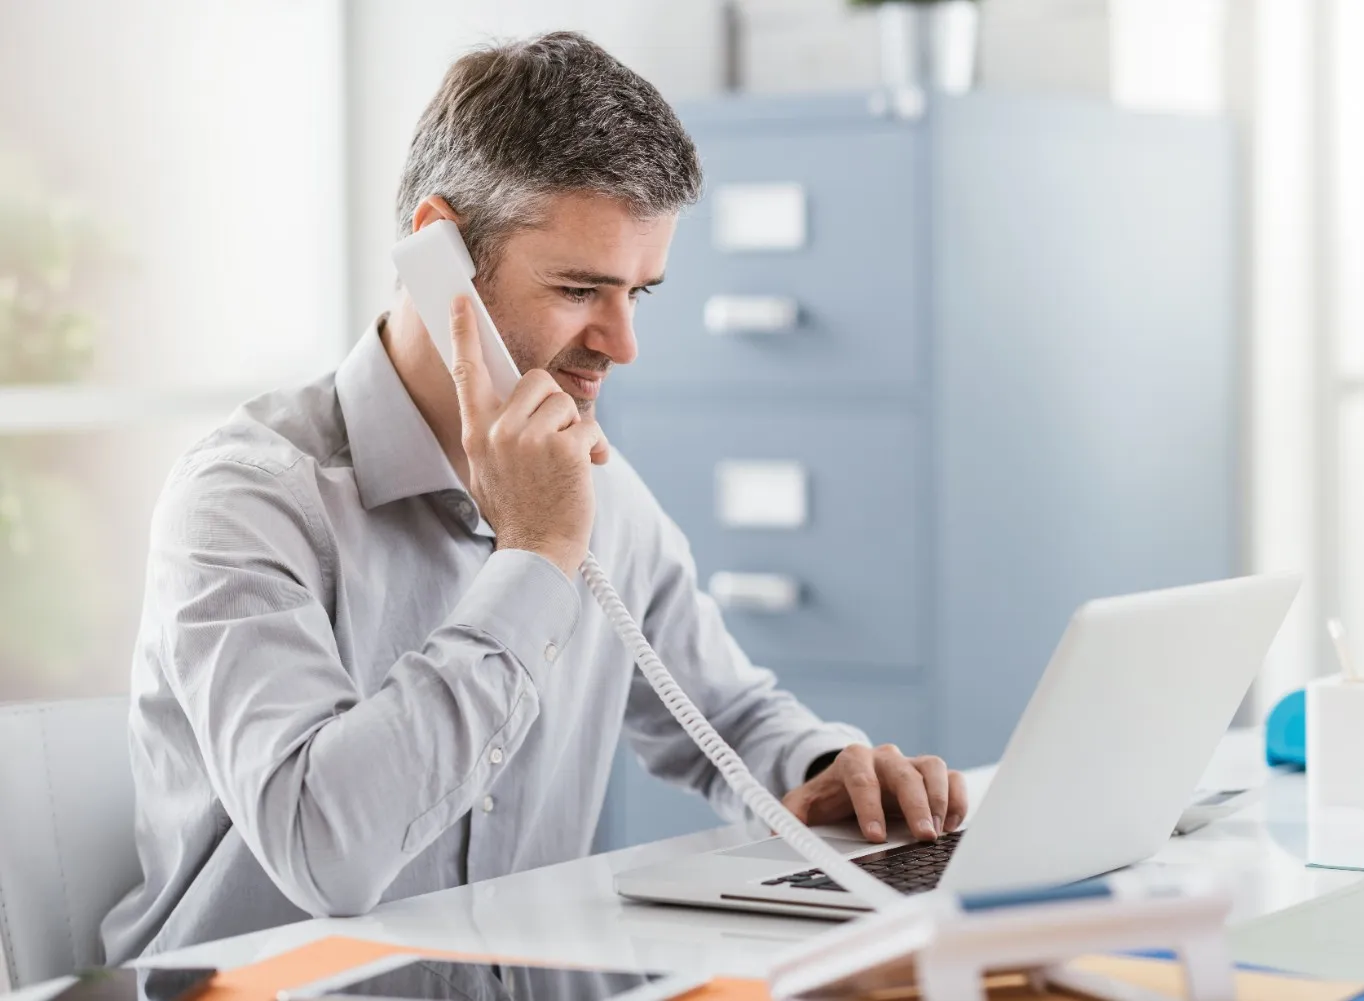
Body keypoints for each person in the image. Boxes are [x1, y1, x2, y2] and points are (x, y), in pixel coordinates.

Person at [102, 31, 966, 961]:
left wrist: (824, 766)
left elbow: (726, 712)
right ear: (438, 251)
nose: (623, 343)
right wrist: (533, 559)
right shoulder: (246, 500)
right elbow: (328, 854)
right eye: (580, 288)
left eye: (642, 291)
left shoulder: (605, 497)